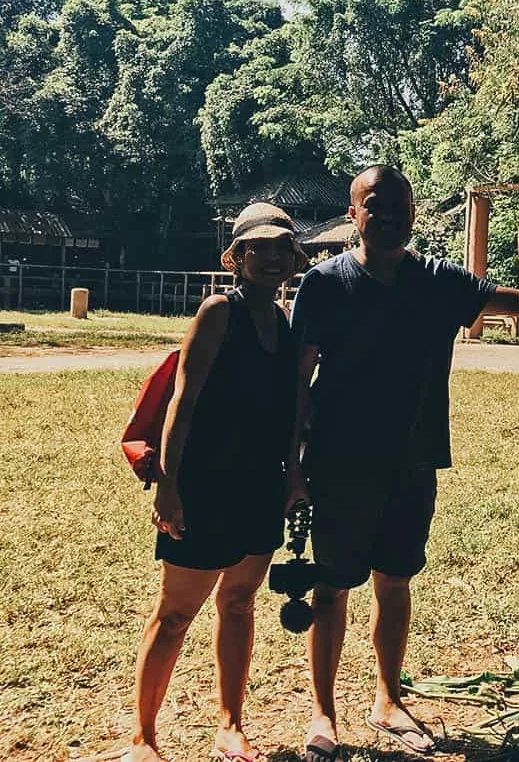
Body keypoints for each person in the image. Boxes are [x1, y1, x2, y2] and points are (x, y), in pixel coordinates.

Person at [288, 165, 519, 762]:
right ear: (354, 212)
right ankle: (323, 713)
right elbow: (297, 381)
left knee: (395, 582)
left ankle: (387, 699)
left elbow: (512, 300)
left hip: (411, 463)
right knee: (334, 587)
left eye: (398, 204)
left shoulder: (436, 281)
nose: (386, 214)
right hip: (340, 463)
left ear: (414, 212)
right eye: (373, 204)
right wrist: (292, 467)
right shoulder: (324, 285)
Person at [127, 203, 308, 762]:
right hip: (204, 484)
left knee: (238, 604)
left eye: (282, 247)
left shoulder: (283, 321)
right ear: (238, 257)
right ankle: (143, 738)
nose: (272, 257)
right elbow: (183, 400)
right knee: (176, 612)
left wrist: (293, 477)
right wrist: (169, 483)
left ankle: (231, 724)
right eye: (260, 247)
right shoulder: (217, 311)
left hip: (259, 485)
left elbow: (288, 411)